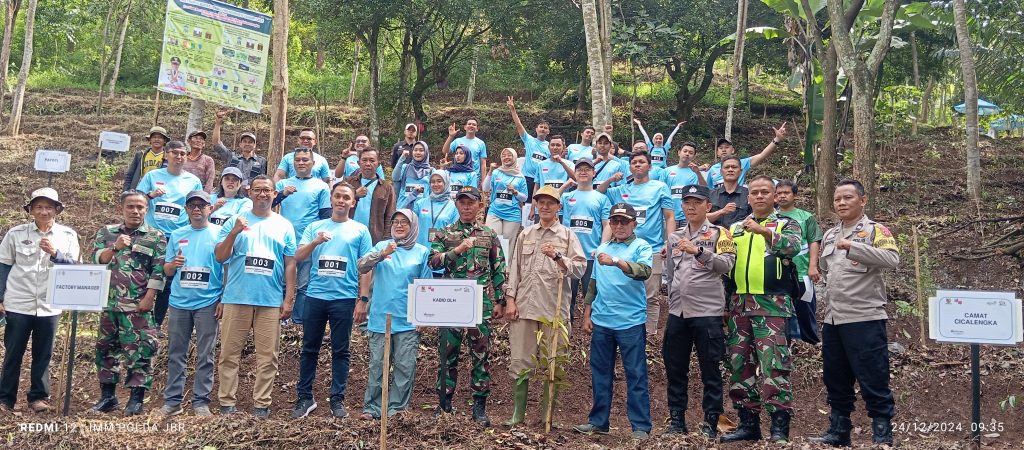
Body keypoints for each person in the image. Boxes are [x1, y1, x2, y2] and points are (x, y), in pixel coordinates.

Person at [809, 179, 900, 446]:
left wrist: (855, 247)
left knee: (873, 377)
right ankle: (839, 431)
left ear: (863, 200)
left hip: (865, 318)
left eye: (848, 197)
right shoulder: (829, 235)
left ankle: (882, 433)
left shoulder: (876, 230)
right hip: (834, 319)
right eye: (838, 199)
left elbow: (893, 259)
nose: (842, 203)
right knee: (835, 378)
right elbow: (828, 273)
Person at [720, 175, 801, 444]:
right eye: (754, 192)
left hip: (772, 306)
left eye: (765, 192)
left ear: (775, 195)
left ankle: (779, 428)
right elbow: (725, 266)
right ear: (748, 196)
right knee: (739, 365)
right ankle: (748, 424)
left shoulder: (786, 223)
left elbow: (793, 247)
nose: (759, 196)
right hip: (739, 306)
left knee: (774, 366)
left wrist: (765, 231)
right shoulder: (735, 229)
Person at [214, 175, 297, 418]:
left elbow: (290, 263)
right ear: (249, 192)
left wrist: (289, 297)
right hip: (237, 298)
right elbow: (220, 256)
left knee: (268, 357)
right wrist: (234, 233)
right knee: (229, 353)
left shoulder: (284, 225)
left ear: (274, 194)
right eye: (258, 190)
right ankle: (227, 403)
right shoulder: (234, 221)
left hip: (269, 301)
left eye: (267, 190)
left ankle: (262, 405)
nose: (262, 194)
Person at [503, 186, 586, 426]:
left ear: (559, 207)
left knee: (554, 362)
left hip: (554, 309)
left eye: (551, 202)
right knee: (520, 361)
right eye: (541, 202)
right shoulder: (525, 234)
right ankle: (518, 415)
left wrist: (558, 257)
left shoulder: (568, 236)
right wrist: (510, 300)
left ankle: (547, 416)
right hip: (524, 307)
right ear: (535, 205)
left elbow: (580, 269)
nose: (546, 206)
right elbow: (515, 269)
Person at [291, 182, 372, 419]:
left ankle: (337, 400)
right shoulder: (315, 227)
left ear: (352, 202)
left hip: (344, 299)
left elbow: (366, 267)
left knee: (341, 350)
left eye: (346, 197)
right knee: (309, 349)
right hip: (315, 296)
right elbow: (298, 256)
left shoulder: (359, 230)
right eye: (337, 196)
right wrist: (316, 241)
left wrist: (363, 299)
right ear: (331, 199)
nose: (341, 200)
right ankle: (305, 398)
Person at [662, 185, 736, 438]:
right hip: (678, 313)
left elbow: (726, 265)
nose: (691, 206)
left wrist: (700, 251)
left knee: (711, 370)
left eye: (697, 202)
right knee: (675, 368)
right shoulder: (675, 237)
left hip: (706, 313)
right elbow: (671, 274)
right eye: (687, 202)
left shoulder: (720, 233)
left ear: (708, 206)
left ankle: (711, 422)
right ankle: (676, 420)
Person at [574, 203, 653, 441]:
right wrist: (587, 314)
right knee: (600, 373)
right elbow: (593, 285)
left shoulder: (641, 246)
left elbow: (644, 272)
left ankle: (640, 426)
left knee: (636, 374)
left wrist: (617, 261)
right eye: (615, 221)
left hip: (630, 321)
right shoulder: (602, 249)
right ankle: (598, 422)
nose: (619, 226)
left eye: (624, 221)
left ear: (633, 224)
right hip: (602, 322)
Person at [429, 186, 507, 425]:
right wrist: (457, 250)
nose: (466, 206)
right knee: (447, 354)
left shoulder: (488, 234)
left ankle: (479, 407)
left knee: (480, 354)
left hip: (479, 304)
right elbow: (433, 262)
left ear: (479, 205)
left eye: (471, 202)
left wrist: (500, 300)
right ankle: (445, 404)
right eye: (462, 202)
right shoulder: (445, 233)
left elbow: (499, 267)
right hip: (451, 302)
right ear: (456, 205)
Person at [0, 188, 80, 413]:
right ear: (31, 210)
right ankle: (5, 399)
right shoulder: (16, 234)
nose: (44, 211)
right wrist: (0, 297)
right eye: (39, 207)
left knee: (43, 353)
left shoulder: (67, 235)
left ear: (57, 209)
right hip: (18, 301)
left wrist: (56, 254)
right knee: (13, 353)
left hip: (50, 303)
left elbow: (75, 266)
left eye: (48, 207)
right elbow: (4, 266)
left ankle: (38, 397)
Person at [90, 190, 166, 416]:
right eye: (131, 207)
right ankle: (108, 397)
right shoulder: (107, 232)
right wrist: (115, 247)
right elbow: (97, 260)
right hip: (108, 304)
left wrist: (149, 298)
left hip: (137, 305)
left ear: (146, 209)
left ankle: (136, 400)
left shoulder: (155, 236)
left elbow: (158, 270)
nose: (135, 211)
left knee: (140, 351)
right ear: (121, 208)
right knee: (105, 350)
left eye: (140, 207)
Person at [357, 209, 432, 420]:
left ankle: (396, 410)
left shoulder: (421, 252)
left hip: (407, 321)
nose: (399, 226)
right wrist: (382, 254)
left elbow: (426, 286)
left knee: (404, 367)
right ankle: (372, 408)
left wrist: (423, 317)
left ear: (413, 226)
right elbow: (362, 266)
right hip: (381, 318)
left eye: (404, 223)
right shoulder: (382, 247)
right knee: (377, 366)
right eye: (395, 222)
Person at [157, 190, 222, 417]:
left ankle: (201, 401)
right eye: (192, 205)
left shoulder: (219, 234)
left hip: (208, 301)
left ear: (210, 208)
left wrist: (222, 298)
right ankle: (172, 401)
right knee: (176, 352)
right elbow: (166, 269)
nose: (197, 209)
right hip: (179, 301)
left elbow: (227, 268)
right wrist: (173, 264)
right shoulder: (176, 235)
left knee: (206, 354)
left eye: (201, 205)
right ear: (186, 209)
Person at [599, 151, 675, 337]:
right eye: (634, 162)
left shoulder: (660, 187)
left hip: (653, 248)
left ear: (650, 166)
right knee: (625, 290)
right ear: (629, 167)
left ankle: (649, 334)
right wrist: (611, 179)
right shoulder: (622, 189)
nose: (637, 165)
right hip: (623, 248)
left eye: (642, 162)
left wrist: (670, 242)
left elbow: (669, 216)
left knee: (651, 295)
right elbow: (599, 192)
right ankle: (625, 329)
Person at [136, 141, 203, 328]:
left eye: (183, 153)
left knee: (168, 280)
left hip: (177, 236)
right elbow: (136, 199)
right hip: (151, 234)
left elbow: (198, 206)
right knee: (144, 275)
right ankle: (139, 319)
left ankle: (156, 324)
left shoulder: (193, 181)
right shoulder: (152, 176)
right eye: (175, 153)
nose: (179, 157)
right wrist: (150, 195)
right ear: (166, 154)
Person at [275, 148, 332, 325]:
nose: (301, 163)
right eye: (298, 160)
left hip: (308, 242)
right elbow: (266, 205)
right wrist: (282, 194)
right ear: (293, 163)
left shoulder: (321, 186)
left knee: (304, 283)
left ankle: (298, 319)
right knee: (282, 281)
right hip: (284, 240)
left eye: (305, 160)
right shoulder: (282, 184)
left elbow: (325, 215)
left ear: (313, 164)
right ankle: (281, 317)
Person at [557, 157, 610, 321]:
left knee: (590, 294)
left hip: (591, 256)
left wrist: (601, 247)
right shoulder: (567, 197)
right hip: (569, 255)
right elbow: (548, 203)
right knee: (567, 295)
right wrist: (565, 186)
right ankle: (566, 329)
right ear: (575, 173)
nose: (583, 172)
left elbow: (607, 225)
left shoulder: (601, 198)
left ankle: (592, 327)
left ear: (594, 173)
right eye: (579, 169)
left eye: (587, 169)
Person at [775, 180, 823, 344]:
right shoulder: (771, 217)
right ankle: (786, 341)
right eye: (779, 193)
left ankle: (810, 341)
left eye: (786, 193)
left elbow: (813, 241)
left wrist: (813, 266)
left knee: (805, 307)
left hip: (802, 271)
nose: (782, 196)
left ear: (794, 195)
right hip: (778, 273)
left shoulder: (806, 217)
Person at [705, 122, 788, 187]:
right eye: (720, 148)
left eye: (726, 147)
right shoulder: (713, 169)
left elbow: (762, 155)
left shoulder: (741, 163)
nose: (723, 150)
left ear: (733, 150)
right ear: (717, 152)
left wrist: (777, 139)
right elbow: (709, 189)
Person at [345, 147, 396, 244]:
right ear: (359, 163)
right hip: (348, 234)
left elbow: (390, 215)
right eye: (364, 160)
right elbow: (337, 205)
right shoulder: (348, 183)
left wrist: (386, 239)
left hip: (374, 238)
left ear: (378, 164)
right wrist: (355, 195)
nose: (368, 164)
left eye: (372, 160)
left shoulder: (387, 188)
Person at [484, 148, 529, 249]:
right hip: (495, 211)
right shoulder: (496, 172)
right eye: (504, 155)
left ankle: (506, 265)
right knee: (492, 240)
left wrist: (515, 192)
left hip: (512, 214)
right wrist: (490, 171)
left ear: (514, 157)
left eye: (509, 155)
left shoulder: (520, 177)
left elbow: (524, 198)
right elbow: (485, 188)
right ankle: (491, 264)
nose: (506, 157)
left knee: (507, 245)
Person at [508, 96, 548, 197]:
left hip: (542, 179)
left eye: (545, 128)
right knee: (524, 202)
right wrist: (513, 110)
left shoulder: (550, 146)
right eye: (541, 127)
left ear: (548, 131)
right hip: (527, 177)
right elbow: (518, 125)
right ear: (536, 129)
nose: (543, 129)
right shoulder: (529, 140)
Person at [212, 110, 267, 185]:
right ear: (240, 144)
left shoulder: (262, 161)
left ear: (255, 145)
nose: (247, 144)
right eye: (245, 141)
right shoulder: (231, 156)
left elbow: (263, 180)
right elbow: (217, 144)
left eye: (250, 142)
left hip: (251, 194)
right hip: (231, 192)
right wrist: (218, 123)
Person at [660, 141, 707, 228]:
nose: (687, 154)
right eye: (685, 151)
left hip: (688, 216)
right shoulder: (666, 171)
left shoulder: (695, 173)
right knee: (669, 241)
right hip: (669, 216)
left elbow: (704, 189)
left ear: (694, 156)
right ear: (679, 152)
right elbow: (660, 192)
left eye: (690, 152)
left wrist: (698, 173)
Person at [408, 171, 459, 249]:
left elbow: (455, 234)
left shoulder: (454, 207)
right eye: (432, 182)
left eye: (439, 181)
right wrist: (413, 195)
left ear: (446, 183)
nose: (435, 184)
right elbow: (407, 218)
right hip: (419, 250)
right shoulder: (420, 203)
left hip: (440, 253)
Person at [707, 156, 752, 228]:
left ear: (740, 172)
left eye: (734, 167)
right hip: (715, 236)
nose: (730, 169)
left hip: (740, 236)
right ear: (721, 172)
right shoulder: (710, 194)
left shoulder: (749, 194)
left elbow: (754, 218)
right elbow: (701, 219)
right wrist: (722, 212)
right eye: (727, 167)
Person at [443, 119, 488, 188]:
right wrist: (450, 136)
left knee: (470, 197)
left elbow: (483, 163)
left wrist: (483, 181)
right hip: (457, 175)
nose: (471, 126)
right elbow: (445, 151)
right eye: (469, 124)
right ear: (465, 127)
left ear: (477, 129)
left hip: (473, 177)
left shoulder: (481, 143)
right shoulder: (457, 141)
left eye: (474, 124)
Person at [123, 126, 170, 191]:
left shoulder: (168, 157)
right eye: (154, 137)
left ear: (165, 141)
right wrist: (125, 191)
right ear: (150, 140)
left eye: (160, 137)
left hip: (158, 190)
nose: (156, 139)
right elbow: (130, 175)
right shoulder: (140, 155)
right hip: (140, 188)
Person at [393, 140, 433, 209]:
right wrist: (402, 158)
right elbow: (395, 177)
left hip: (422, 210)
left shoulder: (431, 171)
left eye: (421, 150)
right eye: (415, 150)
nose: (418, 152)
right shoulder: (405, 167)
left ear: (426, 152)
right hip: (404, 208)